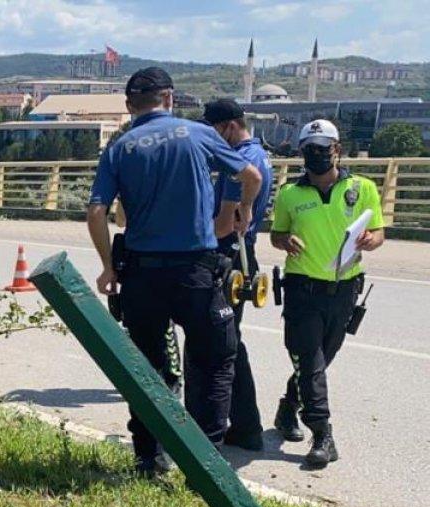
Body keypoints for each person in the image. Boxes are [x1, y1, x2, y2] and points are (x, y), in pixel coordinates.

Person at [88, 67, 263, 476]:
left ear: (130, 107)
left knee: (146, 368)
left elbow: (97, 213)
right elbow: (250, 175)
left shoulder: (120, 147)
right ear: (170, 98)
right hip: (196, 272)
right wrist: (245, 210)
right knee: (215, 360)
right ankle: (208, 463)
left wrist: (107, 268)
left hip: (142, 276)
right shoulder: (198, 134)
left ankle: (149, 457)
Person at [270, 119, 385, 468]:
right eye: (310, 150)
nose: (317, 155)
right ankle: (322, 433)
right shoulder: (290, 193)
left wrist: (370, 240)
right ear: (302, 153)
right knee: (309, 360)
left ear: (337, 149)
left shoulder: (362, 188)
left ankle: (288, 407)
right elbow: (276, 235)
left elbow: (378, 232)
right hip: (302, 288)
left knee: (320, 360)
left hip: (344, 288)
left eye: (324, 148)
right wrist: (284, 241)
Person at [183, 99, 274, 452]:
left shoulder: (243, 160)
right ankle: (245, 424)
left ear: (229, 126)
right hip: (238, 252)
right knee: (228, 340)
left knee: (221, 343)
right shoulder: (256, 154)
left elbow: (226, 223)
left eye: (212, 129)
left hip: (228, 253)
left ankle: (242, 425)